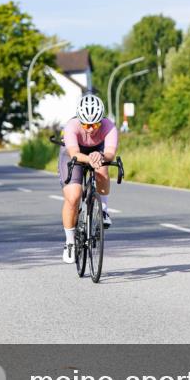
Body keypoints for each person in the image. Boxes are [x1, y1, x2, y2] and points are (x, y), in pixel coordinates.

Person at [58, 94, 118, 263]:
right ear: (79, 119)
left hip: (98, 152)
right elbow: (74, 154)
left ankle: (103, 209)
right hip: (73, 155)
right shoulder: (71, 126)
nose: (91, 128)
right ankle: (70, 242)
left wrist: (99, 156)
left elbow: (110, 153)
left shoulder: (109, 126)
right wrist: (91, 158)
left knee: (103, 169)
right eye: (86, 124)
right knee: (73, 196)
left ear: (102, 119)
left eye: (95, 124)